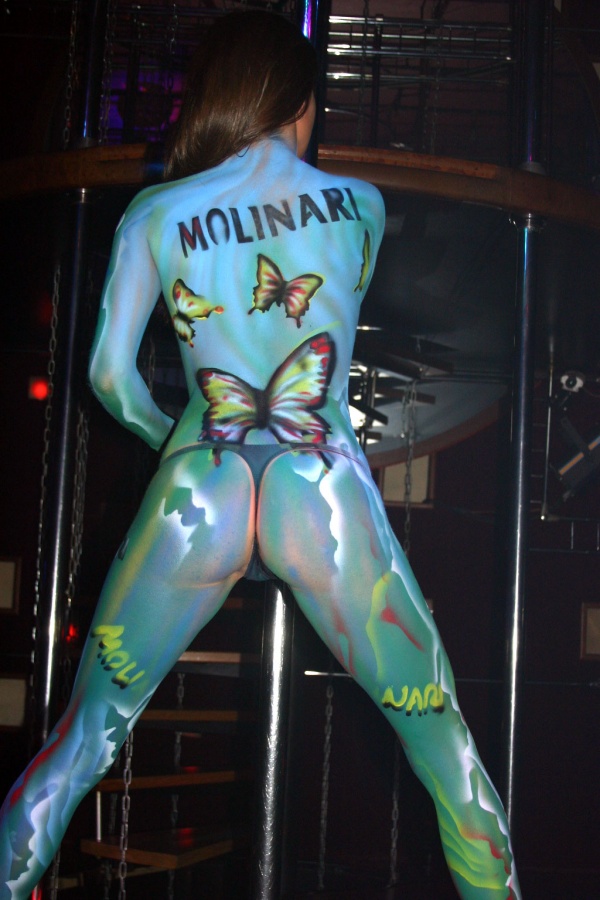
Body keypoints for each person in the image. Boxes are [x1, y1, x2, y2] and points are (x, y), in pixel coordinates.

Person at [0, 11, 520, 899]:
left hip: (200, 483)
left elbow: (108, 379)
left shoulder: (156, 213)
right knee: (447, 754)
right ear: (302, 103)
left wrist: (176, 443)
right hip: (319, 491)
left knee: (79, 745)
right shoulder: (360, 206)